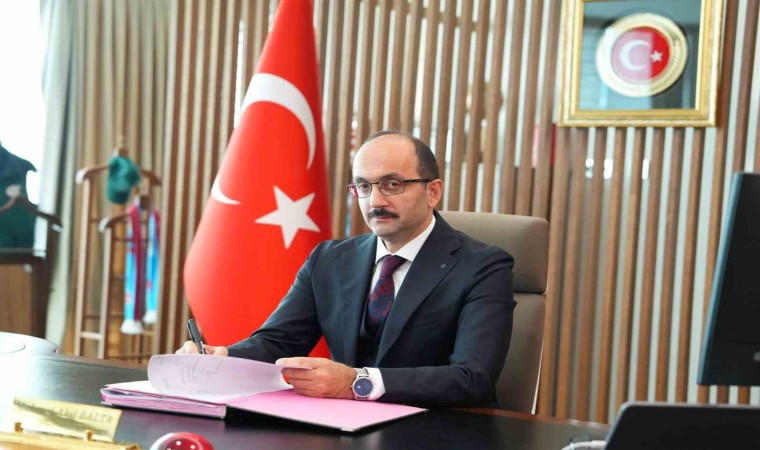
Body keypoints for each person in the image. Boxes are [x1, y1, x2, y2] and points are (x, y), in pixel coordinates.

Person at [177, 130, 515, 407]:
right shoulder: (329, 260)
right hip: (346, 427)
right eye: (364, 187)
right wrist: (222, 357)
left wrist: (357, 382)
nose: (375, 201)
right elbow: (278, 342)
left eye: (392, 184)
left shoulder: (483, 266)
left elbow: (473, 378)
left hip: (440, 431)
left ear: (433, 192)